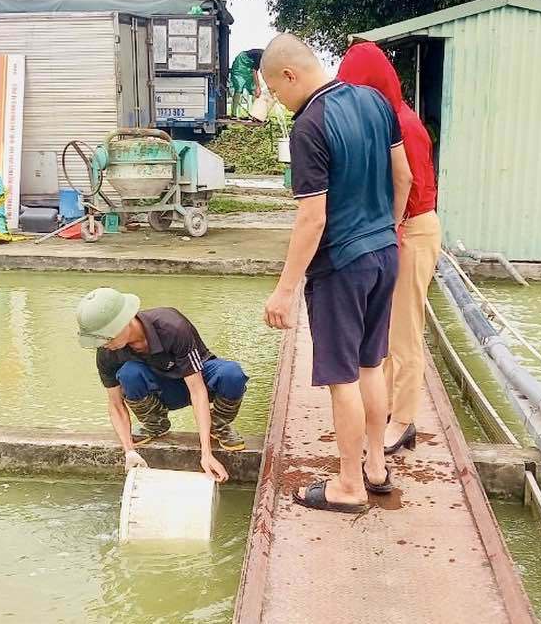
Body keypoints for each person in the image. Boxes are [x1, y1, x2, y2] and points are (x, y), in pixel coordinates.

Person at [259, 34, 413, 513]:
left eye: (276, 92)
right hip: (385, 252)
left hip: (341, 266)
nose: (281, 104)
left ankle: (347, 486)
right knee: (371, 365)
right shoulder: (374, 101)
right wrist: (387, 229)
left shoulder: (308, 126)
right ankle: (374, 467)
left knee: (342, 377)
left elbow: (313, 218)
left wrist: (284, 291)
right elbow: (403, 177)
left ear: (290, 75)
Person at [337, 41, 442, 455]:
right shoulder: (386, 119)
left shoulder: (405, 125)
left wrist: (392, 229)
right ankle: (389, 409)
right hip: (397, 229)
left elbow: (408, 184)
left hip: (413, 229)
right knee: (386, 328)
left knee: (405, 332)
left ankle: (404, 419)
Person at [76, 287, 248, 482]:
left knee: (232, 374)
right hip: (161, 390)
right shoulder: (107, 352)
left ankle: (217, 426)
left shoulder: (171, 326)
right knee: (128, 373)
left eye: (106, 337)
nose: (103, 344)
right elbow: (115, 404)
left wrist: (206, 453)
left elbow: (197, 390)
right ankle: (155, 424)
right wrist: (129, 451)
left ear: (125, 321)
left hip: (197, 380)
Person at [230, 48, 264, 117]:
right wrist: (258, 87)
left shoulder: (268, 60)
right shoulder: (261, 56)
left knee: (253, 89)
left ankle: (254, 114)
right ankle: (234, 114)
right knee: (239, 88)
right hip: (241, 62)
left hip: (249, 67)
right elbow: (254, 71)